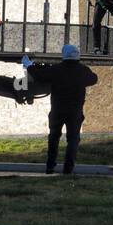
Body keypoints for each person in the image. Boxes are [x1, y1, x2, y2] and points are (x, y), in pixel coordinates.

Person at [25, 45, 98, 174]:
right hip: (75, 111)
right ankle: (68, 168)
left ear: (64, 55)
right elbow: (94, 78)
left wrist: (29, 65)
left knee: (53, 137)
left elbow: (39, 76)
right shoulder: (83, 70)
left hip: (57, 110)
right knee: (73, 139)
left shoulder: (56, 70)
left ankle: (50, 166)